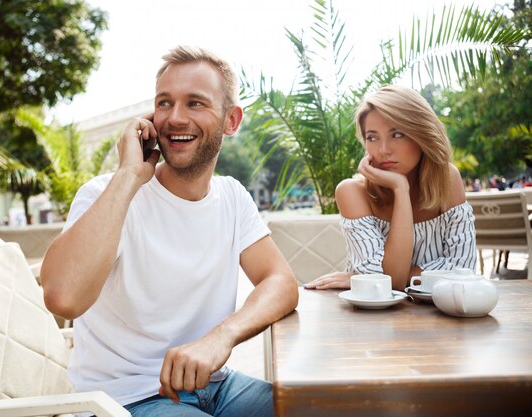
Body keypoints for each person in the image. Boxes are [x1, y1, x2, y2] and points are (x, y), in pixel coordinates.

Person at [40, 45, 298, 417]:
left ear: (231, 120)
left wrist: (220, 338)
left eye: (195, 103)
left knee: (317, 406)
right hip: (124, 401)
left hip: (217, 386)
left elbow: (281, 282)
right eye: (164, 103)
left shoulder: (232, 197)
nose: (175, 118)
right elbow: (63, 298)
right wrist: (129, 176)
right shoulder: (106, 195)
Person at [304, 85, 477, 291]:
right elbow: (392, 283)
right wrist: (400, 188)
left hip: (441, 313)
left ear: (422, 133)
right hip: (372, 317)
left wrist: (377, 276)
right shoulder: (352, 192)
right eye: (372, 137)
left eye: (397, 134)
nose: (383, 150)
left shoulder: (447, 180)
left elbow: (463, 268)